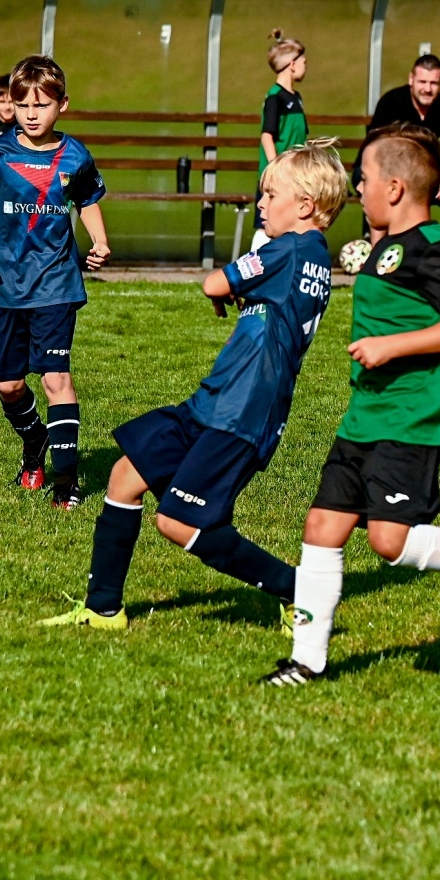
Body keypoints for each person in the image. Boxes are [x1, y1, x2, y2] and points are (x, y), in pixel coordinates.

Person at [262, 123, 440, 687]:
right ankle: (307, 661)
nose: (358, 188)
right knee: (322, 526)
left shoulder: (434, 248)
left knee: (389, 542)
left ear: (395, 188)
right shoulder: (389, 247)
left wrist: (390, 346)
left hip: (411, 417)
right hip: (364, 413)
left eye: (364, 179)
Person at [39, 140, 348, 630]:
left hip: (241, 415)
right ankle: (103, 609)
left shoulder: (287, 249)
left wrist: (231, 283)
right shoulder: (310, 254)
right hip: (217, 402)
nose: (261, 204)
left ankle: (299, 590)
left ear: (306, 206)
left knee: (179, 521)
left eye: (271, 195)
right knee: (125, 475)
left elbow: (213, 283)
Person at [0, 54, 110, 510]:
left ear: (63, 105)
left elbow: (87, 200)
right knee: (9, 386)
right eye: (22, 104)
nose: (31, 113)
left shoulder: (75, 155)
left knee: (57, 379)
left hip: (56, 283)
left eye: (41, 105)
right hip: (3, 283)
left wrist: (99, 240)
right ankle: (35, 441)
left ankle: (66, 482)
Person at [357, 54, 440, 255]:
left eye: (433, 83)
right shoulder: (391, 103)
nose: (427, 89)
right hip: (385, 170)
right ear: (411, 79)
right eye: (422, 82)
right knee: (384, 182)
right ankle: (377, 257)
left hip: (425, 177)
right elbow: (379, 155)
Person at [251, 30, 308, 251]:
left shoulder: (296, 98)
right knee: (265, 224)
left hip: (294, 173)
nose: (306, 65)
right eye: (304, 61)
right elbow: (267, 135)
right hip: (278, 175)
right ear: (292, 64)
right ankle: (251, 267)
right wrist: (275, 168)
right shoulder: (276, 97)